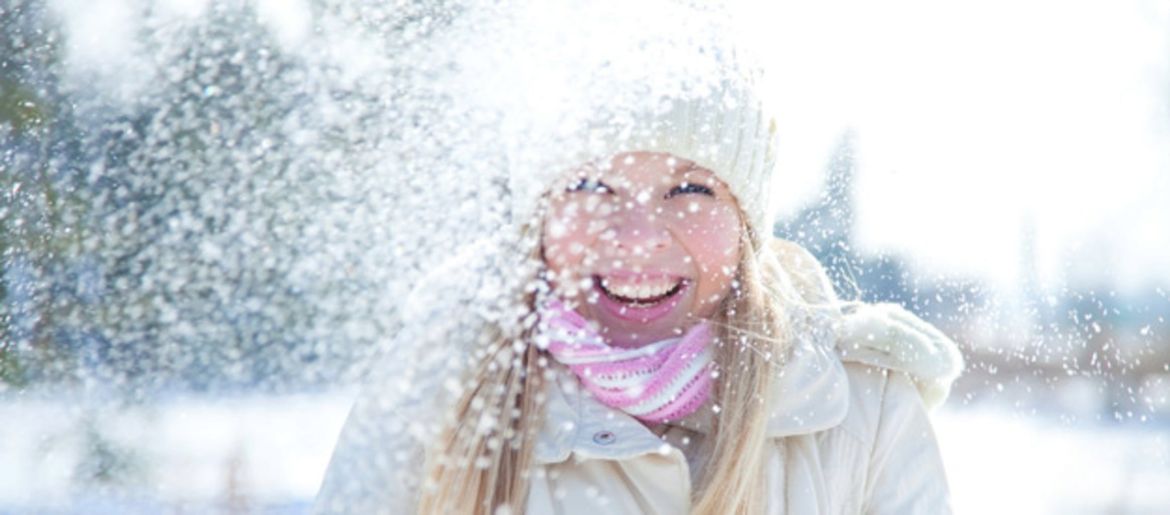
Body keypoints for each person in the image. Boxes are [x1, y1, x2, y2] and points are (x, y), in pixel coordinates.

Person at [313, 3, 964, 514]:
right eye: (593, 187)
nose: (638, 235)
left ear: (746, 222)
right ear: (538, 219)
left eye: (690, 189)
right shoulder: (439, 388)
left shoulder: (865, 408)